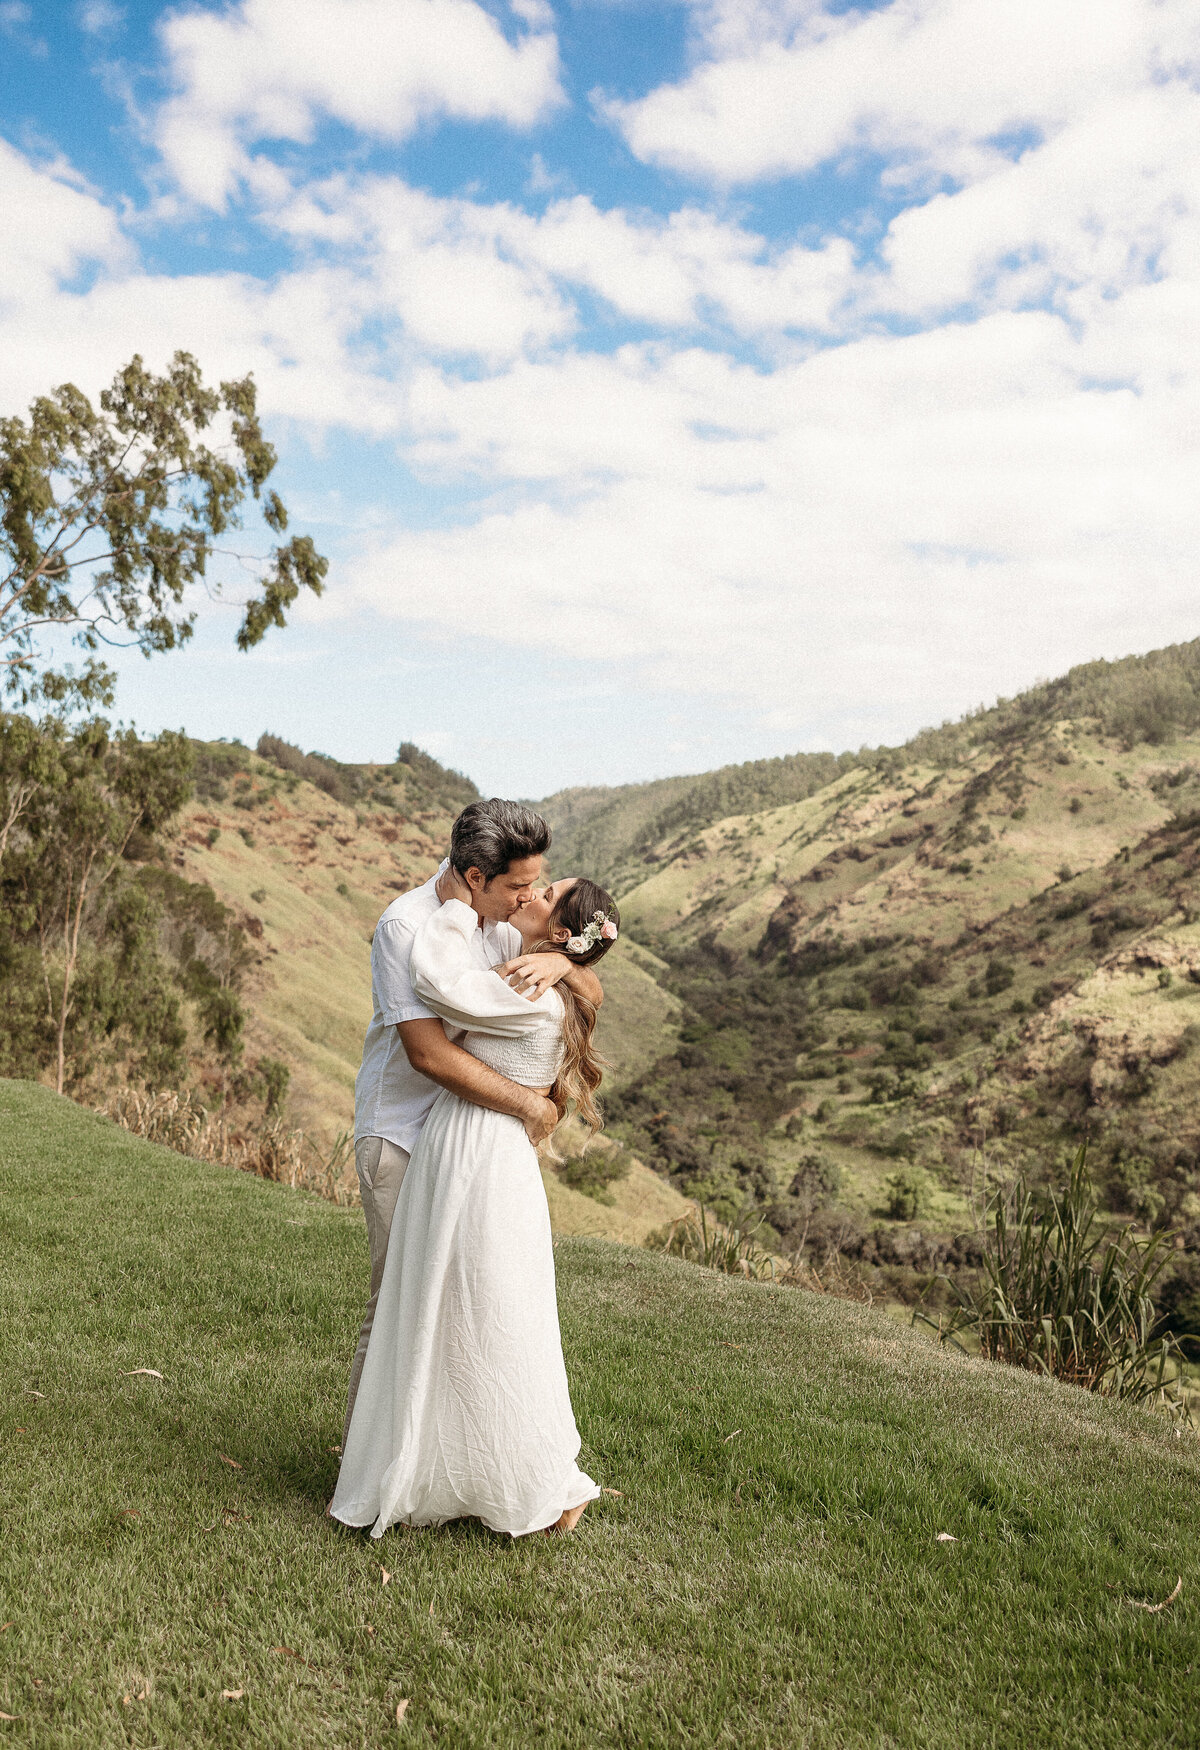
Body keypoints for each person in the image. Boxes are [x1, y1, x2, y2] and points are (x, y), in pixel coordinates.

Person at [331, 868, 620, 1538]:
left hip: (477, 1152)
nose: (532, 892)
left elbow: (442, 988)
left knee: (469, 1308)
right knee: (450, 1306)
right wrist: (561, 960)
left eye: (544, 893)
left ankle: (499, 1475)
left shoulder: (520, 977)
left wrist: (461, 915)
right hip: (460, 1146)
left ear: (558, 932)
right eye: (532, 881)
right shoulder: (530, 967)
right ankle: (429, 1463)